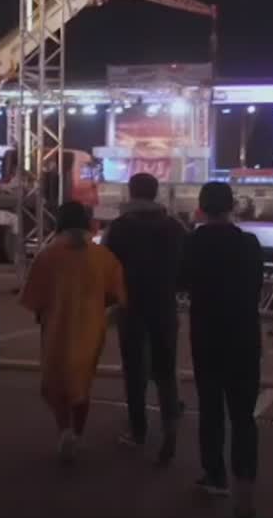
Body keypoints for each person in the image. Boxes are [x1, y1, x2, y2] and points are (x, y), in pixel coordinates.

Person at [19, 201, 127, 464]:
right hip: (90, 328)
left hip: (56, 329)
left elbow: (33, 298)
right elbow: (117, 295)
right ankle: (77, 434)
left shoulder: (48, 255)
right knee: (82, 382)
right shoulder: (102, 256)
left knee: (55, 383)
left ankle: (64, 430)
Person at [184, 182, 264, 516]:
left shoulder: (193, 243)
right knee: (244, 416)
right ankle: (245, 493)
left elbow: (181, 282)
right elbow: (257, 285)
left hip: (207, 336)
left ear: (201, 207)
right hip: (245, 337)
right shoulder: (249, 244)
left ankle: (215, 476)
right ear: (232, 206)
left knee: (211, 409)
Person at [103, 172, 186, 462]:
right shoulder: (174, 227)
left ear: (131, 192)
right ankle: (170, 426)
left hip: (131, 306)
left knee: (134, 370)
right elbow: (184, 269)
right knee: (166, 370)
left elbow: (107, 267)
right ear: (155, 192)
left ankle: (138, 430)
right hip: (164, 305)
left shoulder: (119, 228)